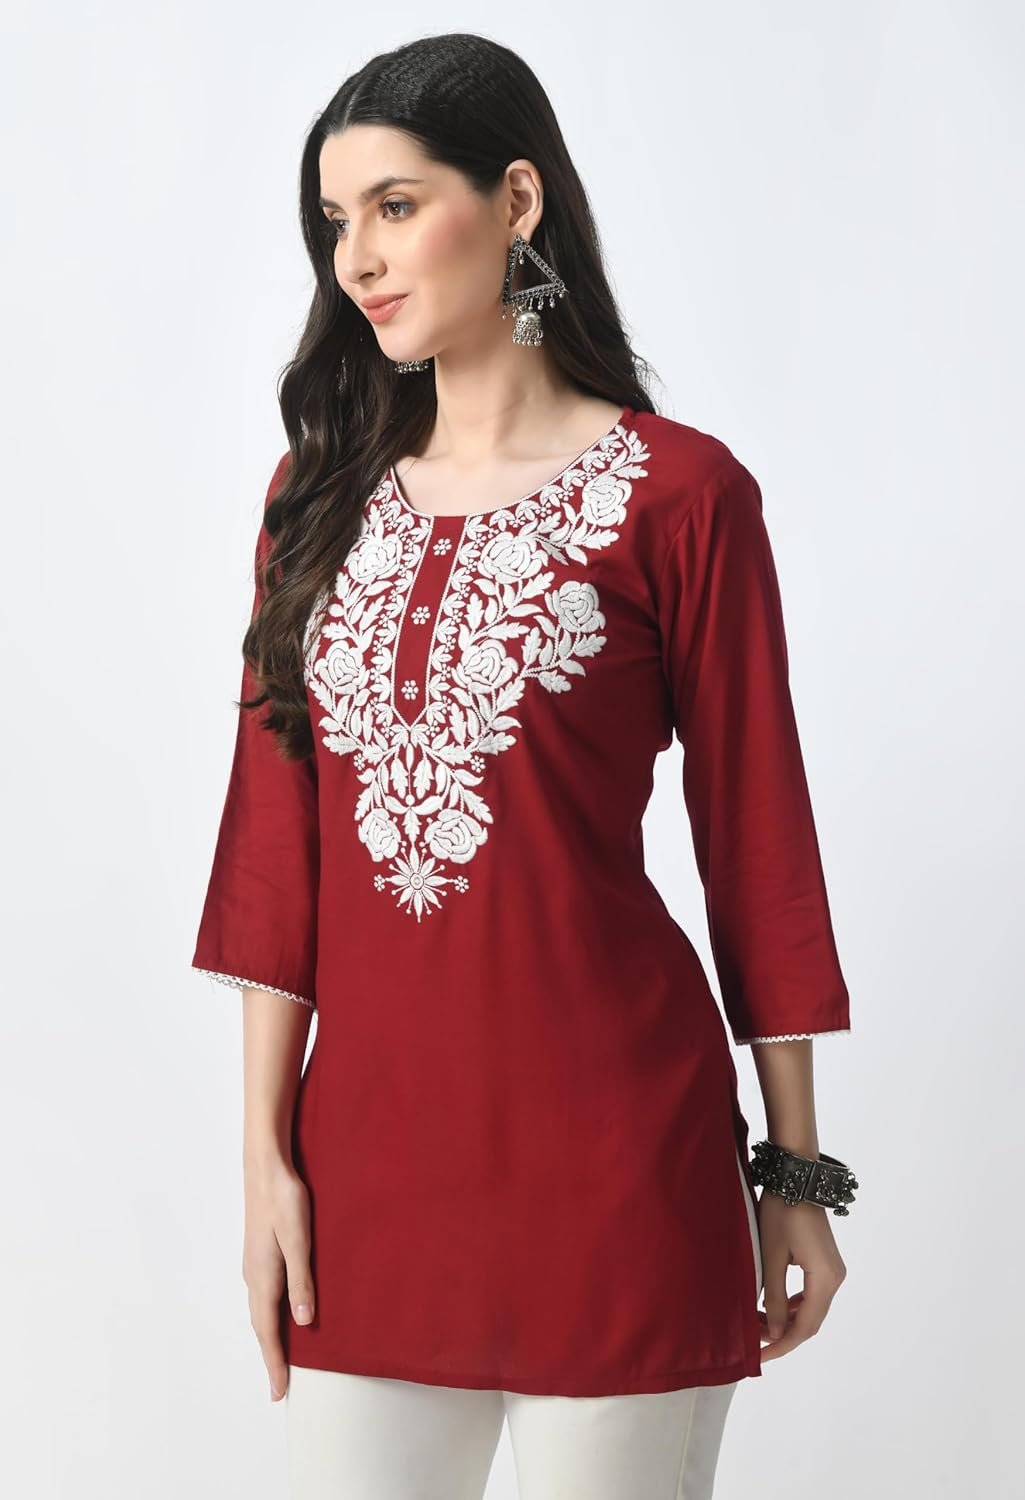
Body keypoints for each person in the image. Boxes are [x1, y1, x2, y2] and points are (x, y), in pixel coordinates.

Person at [190, 31, 856, 1500]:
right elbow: (273, 849)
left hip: (621, 1171)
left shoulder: (682, 496)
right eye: (336, 220)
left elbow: (757, 840)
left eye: (395, 205)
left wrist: (795, 1175)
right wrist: (263, 1161)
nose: (357, 258)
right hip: (365, 1182)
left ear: (517, 200)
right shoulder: (317, 500)